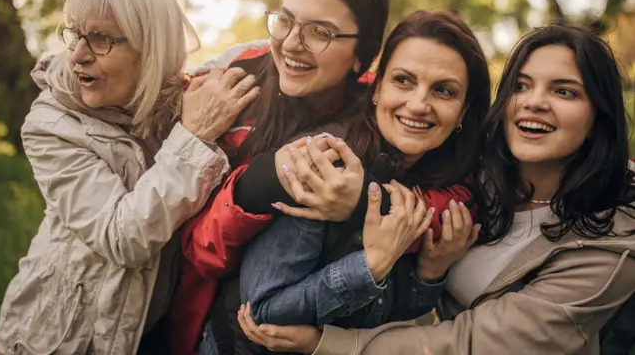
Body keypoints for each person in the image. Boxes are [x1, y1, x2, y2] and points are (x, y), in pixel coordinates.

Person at [237, 22, 635, 355]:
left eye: (564, 91)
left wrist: (333, 345)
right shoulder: (472, 176)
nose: (534, 102)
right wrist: (430, 271)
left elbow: (471, 342)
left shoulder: (611, 247)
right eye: (521, 85)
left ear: (600, 117)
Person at [0, 0, 260, 354]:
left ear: (153, 49)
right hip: (64, 340)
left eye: (101, 39)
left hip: (148, 330)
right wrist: (194, 138)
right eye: (76, 35)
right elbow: (123, 238)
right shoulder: (52, 125)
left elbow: (254, 56)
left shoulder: (175, 101)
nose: (79, 55)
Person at [167, 0, 390, 355]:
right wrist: (256, 184)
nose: (289, 43)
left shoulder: (388, 106)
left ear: (363, 53)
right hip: (211, 325)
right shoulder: (231, 85)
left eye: (319, 32)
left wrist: (366, 202)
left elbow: (453, 199)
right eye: (284, 20)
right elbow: (194, 248)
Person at [231, 11, 490, 354]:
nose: (418, 104)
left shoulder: (446, 183)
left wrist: (430, 272)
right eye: (403, 81)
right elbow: (263, 313)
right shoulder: (324, 161)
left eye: (443, 90)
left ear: (463, 112)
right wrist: (371, 265)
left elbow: (391, 316)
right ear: (377, 88)